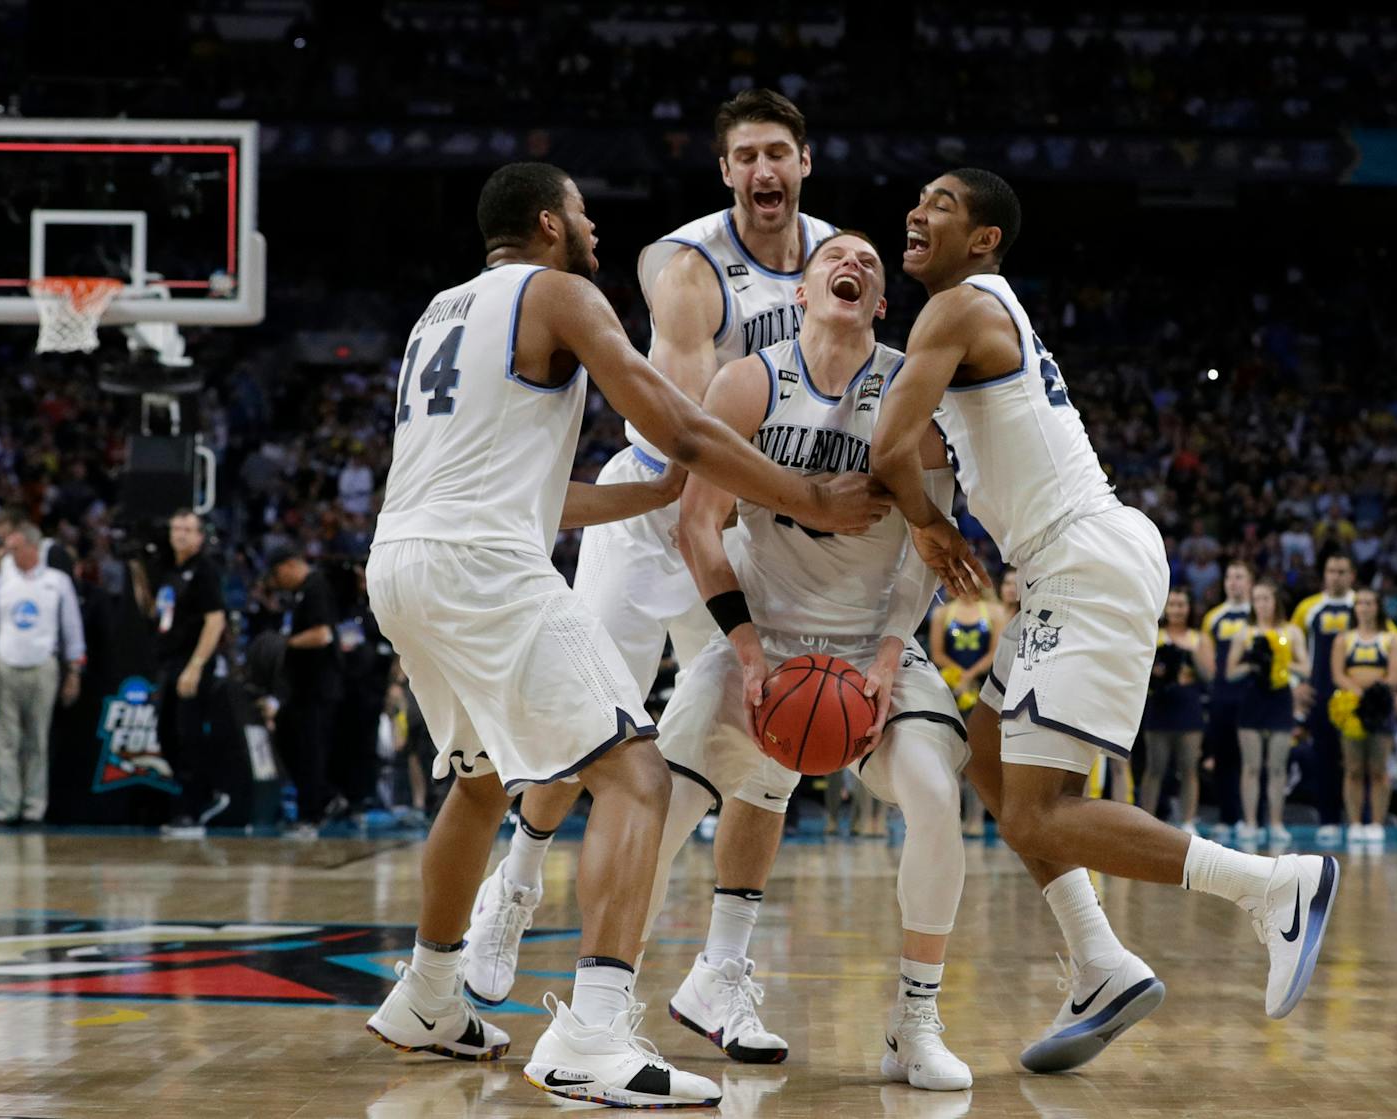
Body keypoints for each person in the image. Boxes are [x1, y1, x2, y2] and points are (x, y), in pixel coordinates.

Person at [362, 162, 885, 1109]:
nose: (594, 224)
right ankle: (592, 1035)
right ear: (549, 222)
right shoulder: (560, 292)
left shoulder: (440, 312)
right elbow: (681, 427)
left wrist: (644, 498)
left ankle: (428, 997)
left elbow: (537, 492)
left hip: (403, 560)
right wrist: (808, 495)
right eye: (583, 211)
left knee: (481, 783)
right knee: (635, 775)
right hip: (483, 566)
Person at [872, 168, 1339, 1037]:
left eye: (941, 202)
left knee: (1039, 807)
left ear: (984, 239)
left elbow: (888, 447)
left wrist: (930, 527)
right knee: (988, 754)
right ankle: (1101, 962)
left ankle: (1272, 885)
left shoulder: (960, 304)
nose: (916, 209)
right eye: (920, 197)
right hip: (1069, 564)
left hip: (1082, 557)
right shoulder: (973, 314)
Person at [460, 89, 841, 1065]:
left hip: (757, 512)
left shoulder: (841, 263)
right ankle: (515, 882)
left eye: (777, 153)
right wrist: (802, 489)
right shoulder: (684, 266)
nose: (762, 170)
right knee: (587, 723)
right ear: (724, 173)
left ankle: (720, 974)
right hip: (655, 505)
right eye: (744, 155)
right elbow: (686, 432)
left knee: (771, 743)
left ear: (804, 163)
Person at [645, 231, 971, 1091]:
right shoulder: (750, 380)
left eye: (867, 262)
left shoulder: (912, 387)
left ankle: (914, 1021)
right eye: (838, 257)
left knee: (937, 799)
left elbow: (925, 551)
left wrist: (891, 654)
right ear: (800, 292)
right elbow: (695, 524)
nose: (852, 264)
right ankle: (603, 1009)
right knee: (656, 803)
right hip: (763, 630)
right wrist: (747, 653)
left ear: (881, 301)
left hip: (873, 644)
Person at [0, 523, 84, 824]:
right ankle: (7, 805)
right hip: (4, 666)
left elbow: (72, 628)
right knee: (4, 742)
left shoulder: (56, 582)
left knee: (37, 741)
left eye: (15, 548)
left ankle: (34, 807)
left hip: (43, 666)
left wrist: (75, 671)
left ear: (33, 548)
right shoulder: (0, 582)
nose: (9, 554)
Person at [153, 510, 230, 838]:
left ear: (200, 537)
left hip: (192, 662)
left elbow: (216, 620)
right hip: (169, 661)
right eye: (176, 527)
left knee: (188, 735)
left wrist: (196, 666)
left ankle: (192, 811)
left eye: (188, 529)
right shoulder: (170, 569)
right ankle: (207, 792)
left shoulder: (205, 570)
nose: (180, 534)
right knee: (165, 733)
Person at [267, 548, 344, 839]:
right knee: (290, 739)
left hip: (318, 689)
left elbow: (322, 634)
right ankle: (326, 797)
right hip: (303, 690)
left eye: (277, 574)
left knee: (310, 751)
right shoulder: (302, 592)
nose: (277, 581)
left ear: (289, 565)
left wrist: (286, 643)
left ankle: (311, 815)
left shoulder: (316, 587)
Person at [1226, 581, 1309, 846]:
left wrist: (1281, 662)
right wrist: (1252, 662)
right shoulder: (1245, 633)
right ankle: (1250, 822)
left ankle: (1275, 822)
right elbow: (1229, 672)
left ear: (1276, 602)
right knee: (1251, 766)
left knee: (1277, 767)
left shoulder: (1292, 632)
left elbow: (1305, 668)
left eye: (1266, 599)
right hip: (1253, 700)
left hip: (1280, 699)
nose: (1261, 604)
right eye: (1257, 599)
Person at [1292, 553, 1360, 842]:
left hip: (1355, 697)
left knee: (1358, 762)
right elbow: (1289, 647)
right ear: (1324, 575)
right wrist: (1296, 685)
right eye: (1331, 570)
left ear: (1352, 575)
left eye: (1342, 571)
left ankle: (1362, 821)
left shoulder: (1364, 605)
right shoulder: (1308, 608)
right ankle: (1329, 820)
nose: (1336, 576)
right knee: (1325, 760)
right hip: (1319, 695)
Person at [1330, 587, 1397, 842]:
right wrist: (1357, 693)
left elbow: (1395, 675)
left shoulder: (1391, 639)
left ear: (1378, 607)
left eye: (1369, 603)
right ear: (1355, 608)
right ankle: (1354, 823)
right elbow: (1338, 674)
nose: (1364, 607)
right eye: (1360, 603)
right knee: (1353, 768)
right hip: (1352, 708)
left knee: (1378, 768)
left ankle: (1376, 823)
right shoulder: (1344, 639)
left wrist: (1373, 694)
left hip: (1380, 709)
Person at [930, 588, 999, 835]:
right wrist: (958, 676)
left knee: (979, 756)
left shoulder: (994, 611)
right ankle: (951, 818)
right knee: (950, 756)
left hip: (982, 687)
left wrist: (970, 676)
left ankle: (977, 819)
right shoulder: (942, 613)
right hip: (950, 687)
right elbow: (937, 654)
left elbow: (995, 653)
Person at [1140, 587, 1206, 833]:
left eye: (1182, 604)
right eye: (1173, 604)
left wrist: (1189, 656)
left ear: (1189, 608)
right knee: (1155, 766)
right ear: (1165, 608)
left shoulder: (1199, 638)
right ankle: (1145, 822)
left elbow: (1209, 676)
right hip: (1158, 704)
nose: (1177, 610)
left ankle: (1188, 821)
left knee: (1189, 767)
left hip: (1188, 704)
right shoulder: (1154, 634)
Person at [1199, 561, 1255, 836]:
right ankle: (1228, 815)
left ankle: (1253, 817)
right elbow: (1208, 660)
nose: (1234, 582)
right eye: (1230, 576)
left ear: (1250, 583)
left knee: (1253, 759)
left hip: (1254, 695)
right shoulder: (1214, 617)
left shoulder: (1259, 617)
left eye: (1240, 576)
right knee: (1223, 757)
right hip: (1223, 696)